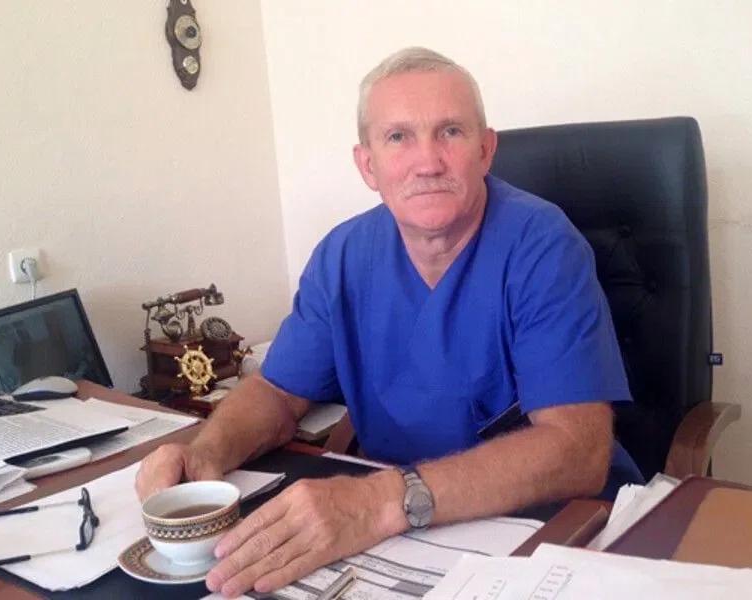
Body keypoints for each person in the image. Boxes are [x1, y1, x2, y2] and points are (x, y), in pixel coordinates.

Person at [135, 46, 644, 597]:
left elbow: (577, 450)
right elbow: (277, 394)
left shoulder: (543, 247)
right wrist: (207, 453)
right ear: (367, 165)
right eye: (398, 136)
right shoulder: (342, 256)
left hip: (555, 531)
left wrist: (378, 501)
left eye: (450, 131)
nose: (428, 162)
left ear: (485, 149)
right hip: (403, 536)